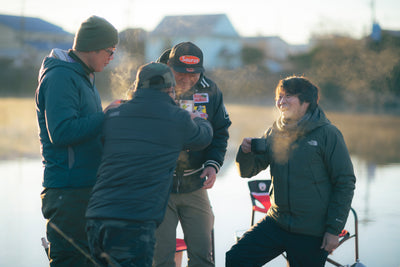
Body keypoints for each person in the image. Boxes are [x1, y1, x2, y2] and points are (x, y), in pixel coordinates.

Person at [85, 62, 213, 267]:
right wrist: (198, 118)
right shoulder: (177, 118)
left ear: (137, 86)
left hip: (97, 217)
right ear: (171, 90)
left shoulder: (114, 114)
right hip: (136, 221)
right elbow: (203, 138)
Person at [225, 76, 356, 267]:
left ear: (306, 102)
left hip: (312, 230)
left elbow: (345, 182)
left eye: (288, 96)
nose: (281, 101)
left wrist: (333, 230)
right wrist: (245, 153)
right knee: (236, 259)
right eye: (279, 96)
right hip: (276, 222)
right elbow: (248, 171)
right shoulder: (275, 131)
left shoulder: (328, 134)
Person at [35, 15, 118, 267]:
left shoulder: (84, 76)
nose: (111, 57)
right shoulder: (61, 77)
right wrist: (105, 117)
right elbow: (60, 132)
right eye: (109, 51)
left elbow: (89, 130)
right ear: (92, 47)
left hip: (85, 189)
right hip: (67, 193)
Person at [153, 42, 232, 267]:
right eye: (180, 74)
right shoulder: (150, 85)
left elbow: (221, 133)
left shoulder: (211, 90)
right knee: (162, 258)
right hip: (159, 187)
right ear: (169, 66)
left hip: (195, 184)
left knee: (202, 256)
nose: (187, 80)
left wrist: (213, 164)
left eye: (194, 75)